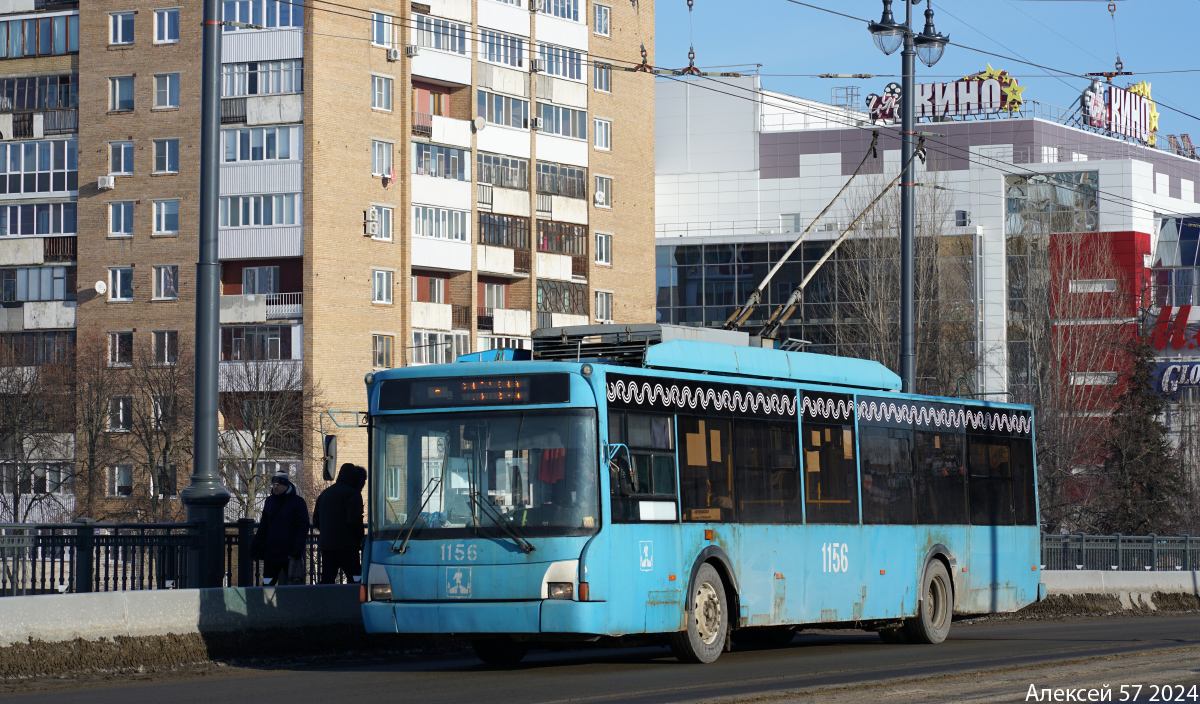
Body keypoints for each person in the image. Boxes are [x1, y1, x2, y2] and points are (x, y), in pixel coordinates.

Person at [251, 470, 310, 586]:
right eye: (273, 485)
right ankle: (272, 604)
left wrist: (297, 548)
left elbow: (303, 526)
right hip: (276, 552)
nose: (275, 487)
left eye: (278, 485)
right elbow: (264, 526)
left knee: (275, 585)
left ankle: (272, 603)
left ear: (286, 485)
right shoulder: (293, 502)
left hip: (289, 553)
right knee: (274, 584)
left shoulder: (295, 502)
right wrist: (256, 544)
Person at [312, 463, 367, 584]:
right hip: (348, 546)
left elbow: (316, 520)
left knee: (327, 580)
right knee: (355, 579)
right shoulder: (353, 494)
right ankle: (353, 603)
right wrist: (359, 535)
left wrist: (327, 530)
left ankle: (326, 602)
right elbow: (354, 520)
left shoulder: (325, 493)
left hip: (327, 545)